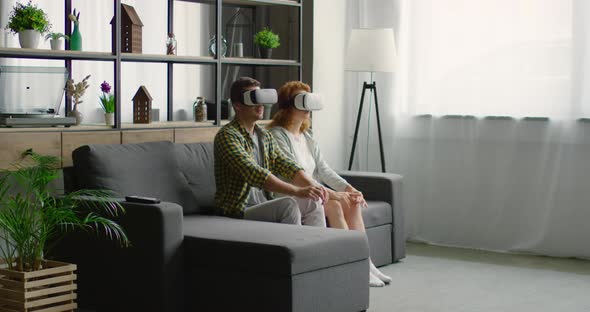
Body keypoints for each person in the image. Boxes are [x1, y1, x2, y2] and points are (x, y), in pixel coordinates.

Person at [268, 81, 392, 287]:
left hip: (314, 192)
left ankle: (365, 263)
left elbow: (324, 170)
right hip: (292, 194)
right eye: (302, 102)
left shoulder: (307, 137)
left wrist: (350, 189)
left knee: (352, 202)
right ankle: (351, 266)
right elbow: (294, 176)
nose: (308, 108)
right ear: (288, 106)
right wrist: (333, 195)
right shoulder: (277, 136)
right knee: (334, 204)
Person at [214, 77, 328, 226]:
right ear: (237, 106)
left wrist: (312, 186)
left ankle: (315, 248)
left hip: (264, 203)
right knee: (288, 205)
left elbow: (286, 165)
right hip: (237, 210)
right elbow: (255, 174)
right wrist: (296, 191)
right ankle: (294, 247)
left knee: (313, 201)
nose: (260, 104)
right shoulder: (227, 136)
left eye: (261, 98)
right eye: (253, 99)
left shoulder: (264, 135)